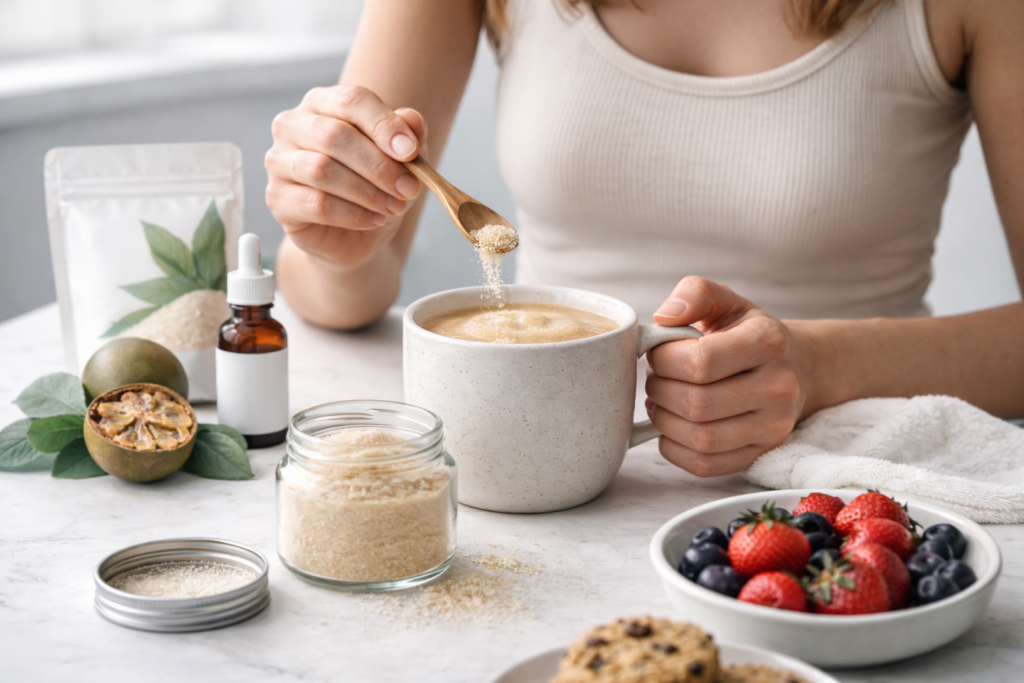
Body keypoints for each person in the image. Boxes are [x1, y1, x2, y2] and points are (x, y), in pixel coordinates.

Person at [264, 0, 1024, 478]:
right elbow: (347, 288)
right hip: (543, 488)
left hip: (857, 486)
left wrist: (819, 366)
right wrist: (336, 245)